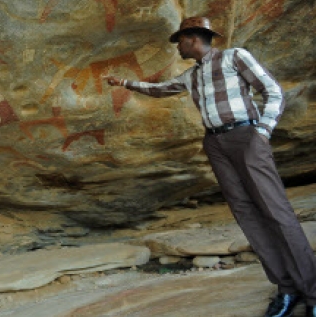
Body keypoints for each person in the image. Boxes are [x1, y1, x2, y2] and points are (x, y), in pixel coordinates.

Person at [105, 16, 316, 317]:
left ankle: (312, 293)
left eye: (179, 40)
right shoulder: (191, 76)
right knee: (246, 214)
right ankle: (286, 289)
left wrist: (262, 133)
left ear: (193, 38)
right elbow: (161, 89)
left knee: (276, 211)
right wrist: (125, 83)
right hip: (215, 144)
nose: (177, 47)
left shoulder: (235, 57)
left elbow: (273, 91)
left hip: (247, 137)